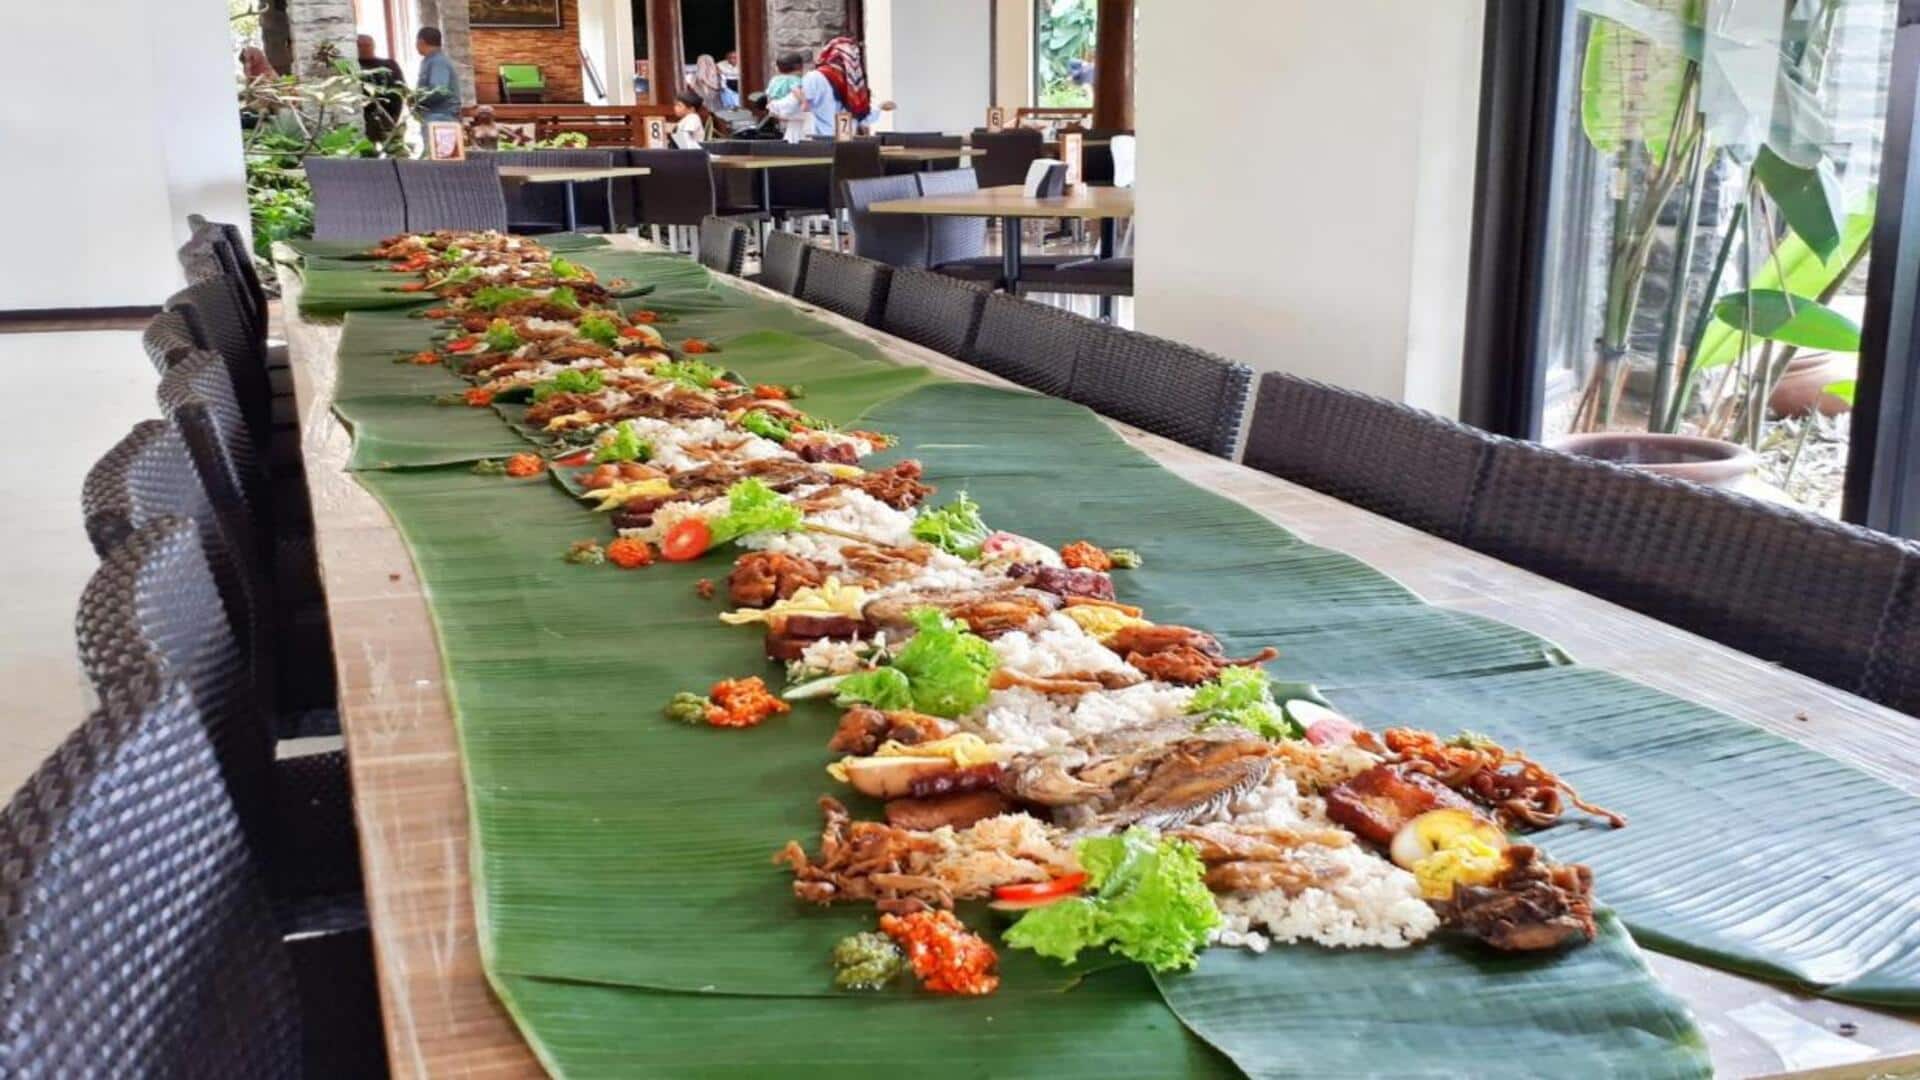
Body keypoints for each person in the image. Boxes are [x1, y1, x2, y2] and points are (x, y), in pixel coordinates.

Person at [798, 36, 894, 137]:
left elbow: (800, 107)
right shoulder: (855, 84)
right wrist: (879, 108)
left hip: (822, 140)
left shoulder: (815, 77)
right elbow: (863, 117)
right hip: (840, 140)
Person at [357, 34, 406, 144]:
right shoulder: (355, 67)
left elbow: (400, 90)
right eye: (360, 46)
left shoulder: (389, 65)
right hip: (364, 120)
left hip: (388, 118)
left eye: (367, 45)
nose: (364, 49)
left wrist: (393, 116)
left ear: (373, 46)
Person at [415, 26, 460, 124]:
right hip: (436, 116)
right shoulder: (431, 60)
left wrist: (416, 100)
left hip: (440, 117)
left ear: (421, 42)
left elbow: (439, 90)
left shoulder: (438, 62)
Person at [764, 52, 811, 143]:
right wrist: (804, 102)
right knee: (809, 115)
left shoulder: (774, 79)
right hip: (788, 106)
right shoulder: (794, 79)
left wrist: (770, 108)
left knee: (797, 121)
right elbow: (796, 90)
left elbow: (769, 93)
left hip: (775, 105)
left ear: (777, 68)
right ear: (800, 67)